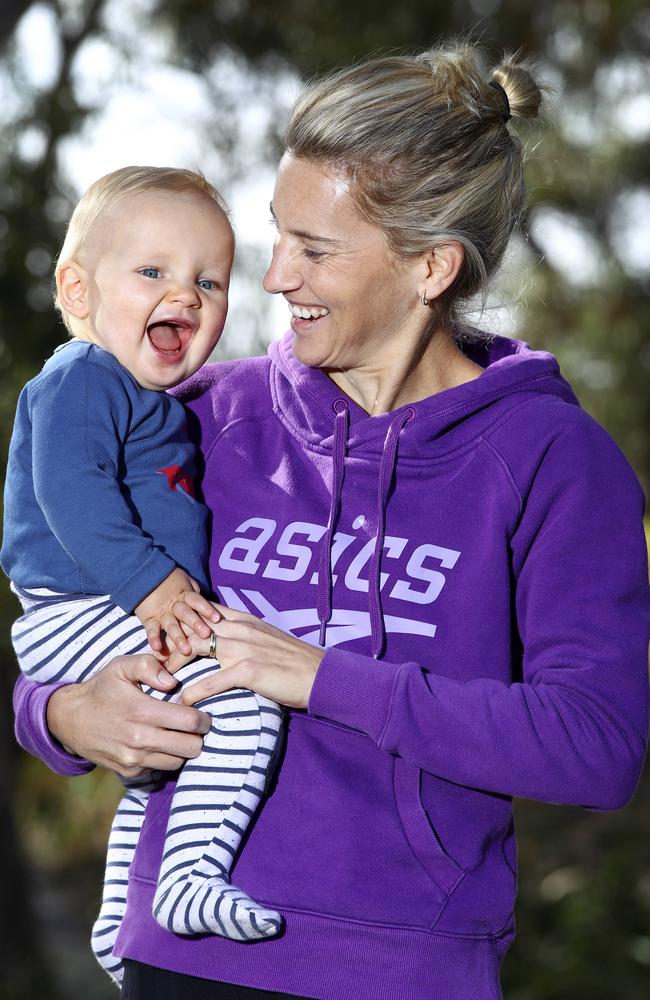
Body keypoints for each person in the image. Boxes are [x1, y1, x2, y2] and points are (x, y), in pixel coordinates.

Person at [12, 43, 650, 1000]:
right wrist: (63, 715)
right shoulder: (196, 417)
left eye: (314, 249)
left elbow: (596, 746)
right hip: (174, 959)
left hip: (401, 969)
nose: (274, 280)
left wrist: (321, 678)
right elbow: (49, 623)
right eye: (278, 236)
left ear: (431, 266)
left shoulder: (553, 462)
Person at [2, 166, 284, 987]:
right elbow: (71, 494)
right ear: (77, 290)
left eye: (210, 280)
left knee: (163, 764)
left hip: (101, 606)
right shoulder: (81, 378)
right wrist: (156, 589)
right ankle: (191, 881)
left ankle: (123, 920)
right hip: (82, 603)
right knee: (240, 690)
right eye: (153, 272)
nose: (187, 295)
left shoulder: (155, 398)